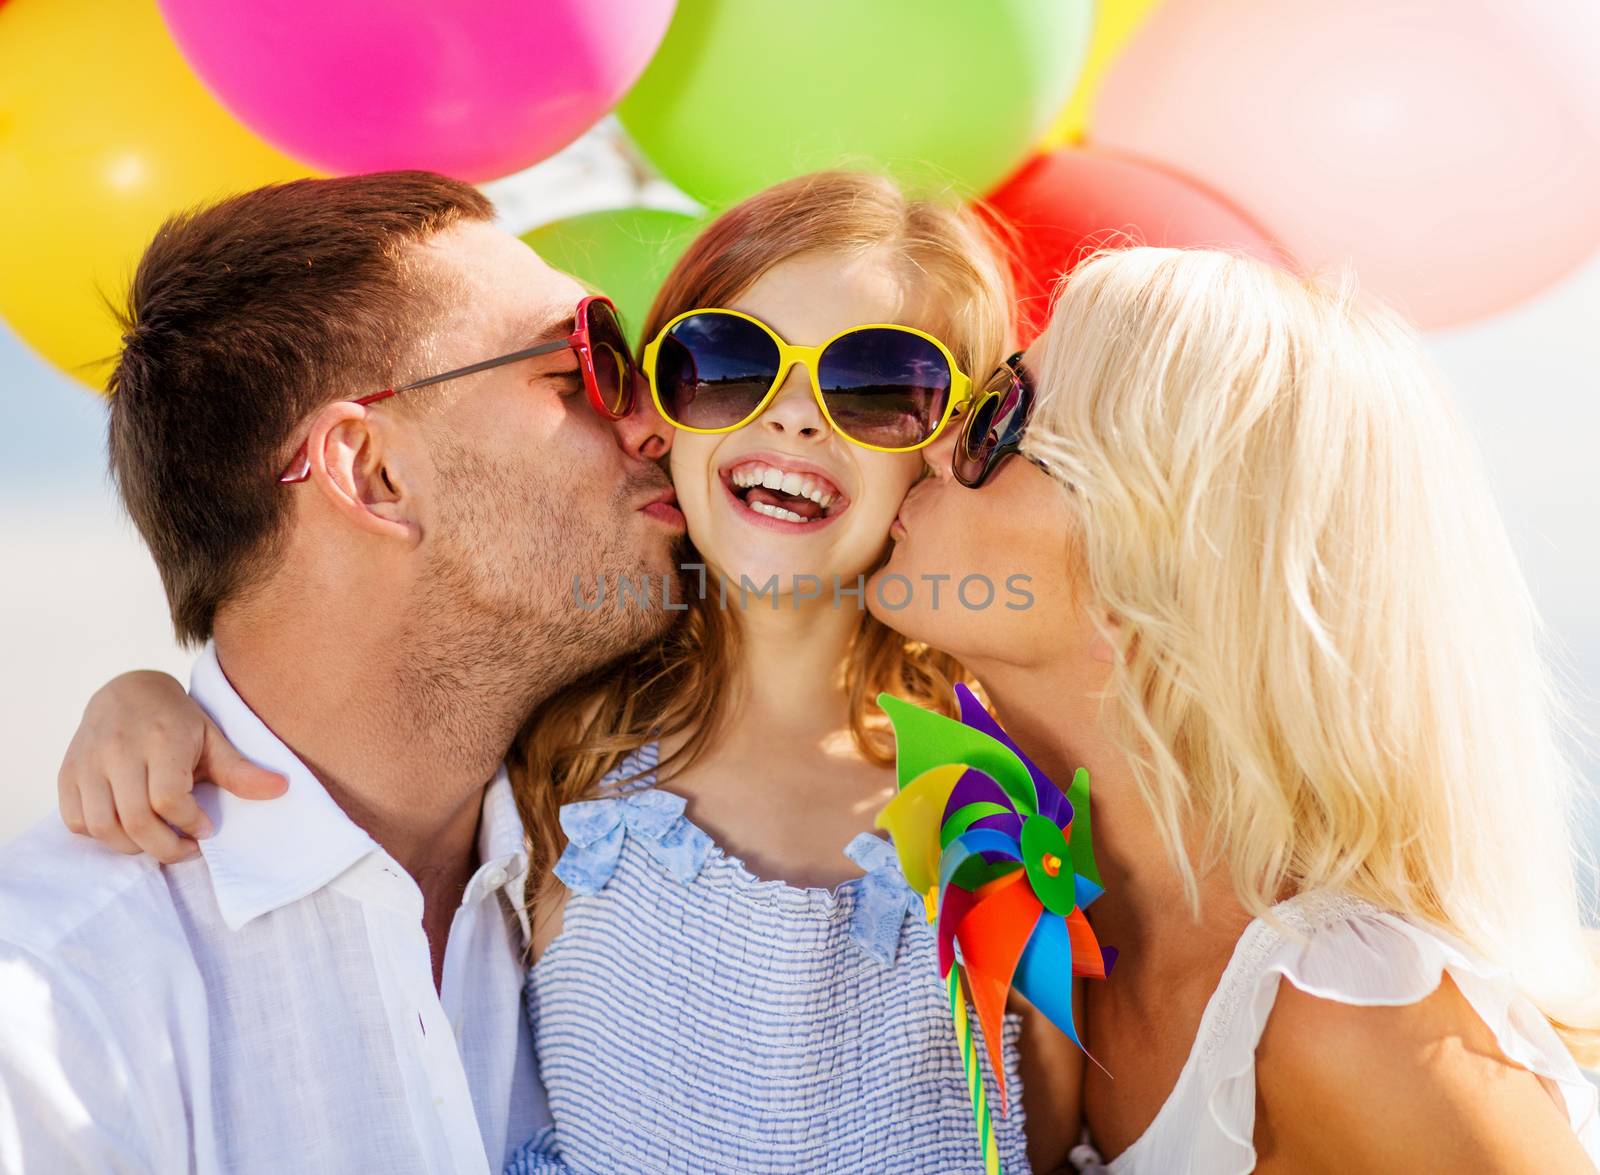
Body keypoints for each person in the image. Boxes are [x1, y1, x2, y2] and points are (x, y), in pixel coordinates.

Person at [49, 171, 1084, 1173]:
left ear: (949, 447)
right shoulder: (560, 751)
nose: (796, 414)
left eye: (879, 388)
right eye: (722, 361)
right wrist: (151, 699)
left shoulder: (1000, 797)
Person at [0, 170, 683, 1173]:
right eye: (581, 365)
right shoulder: (52, 1007)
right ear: (371, 472)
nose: (654, 423)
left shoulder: (654, 864)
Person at [878, 246, 1600, 1171]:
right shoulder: (1061, 931)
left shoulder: (1348, 1010)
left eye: (997, 417)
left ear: (1148, 559)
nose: (932, 445)